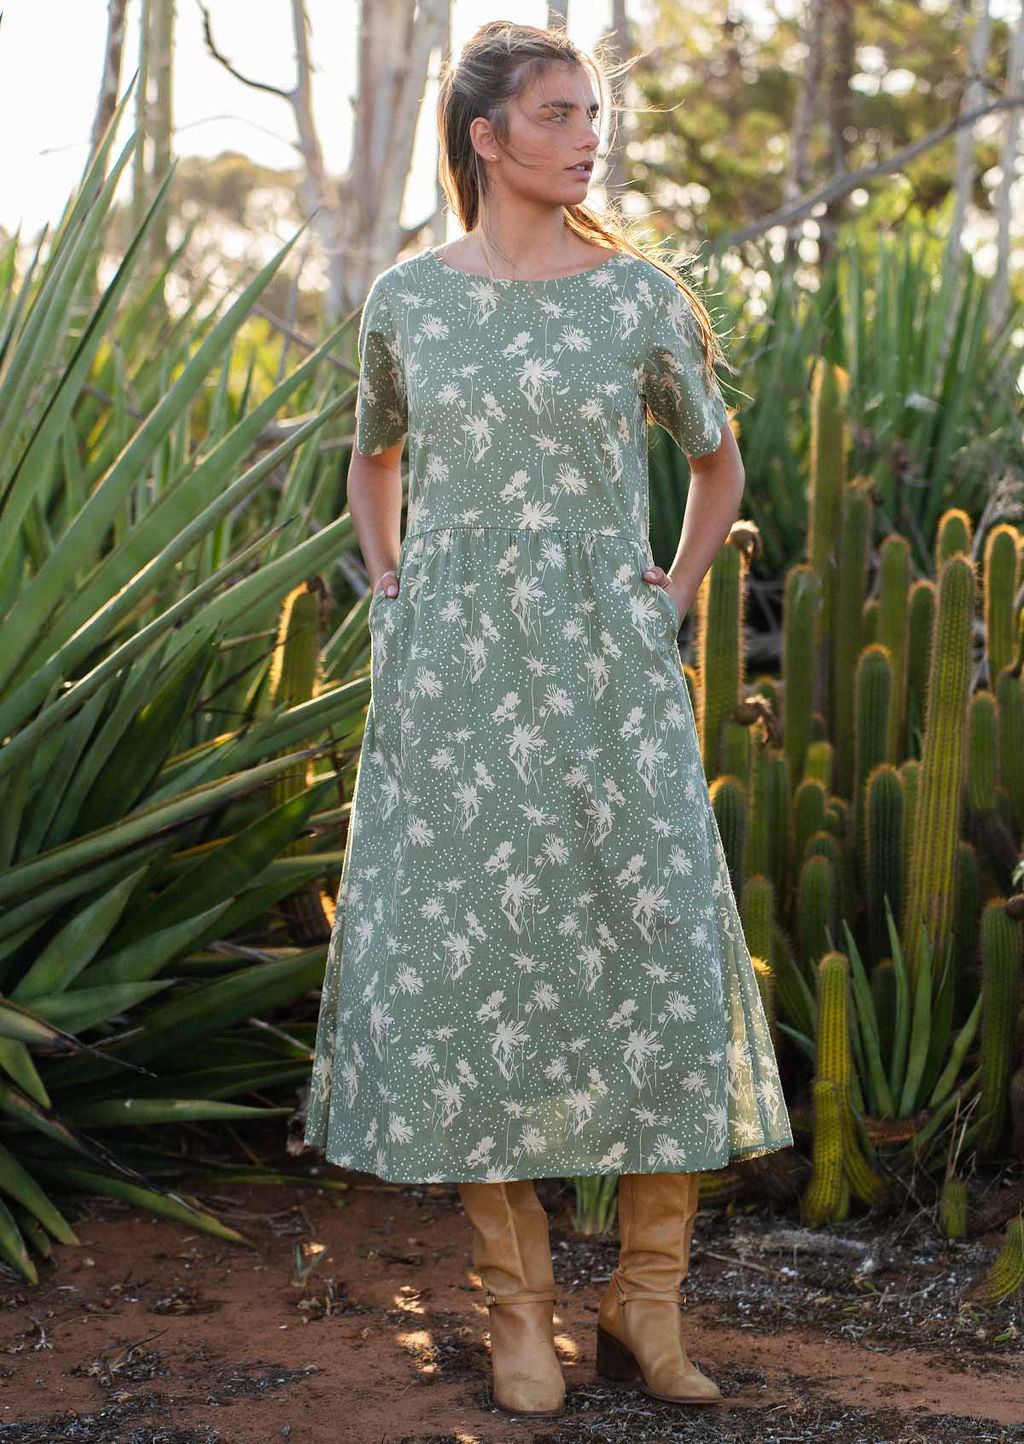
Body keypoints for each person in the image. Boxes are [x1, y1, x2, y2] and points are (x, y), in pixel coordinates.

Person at [304, 19, 793, 1419]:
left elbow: (716, 458)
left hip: (608, 662)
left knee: (655, 946)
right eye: (561, 113)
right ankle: (517, 1310)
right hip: (454, 682)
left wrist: (673, 597)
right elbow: (372, 452)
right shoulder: (408, 297)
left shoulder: (637, 297)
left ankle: (646, 1303)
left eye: (593, 112)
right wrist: (394, 593)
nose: (591, 135)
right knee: (472, 968)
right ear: (487, 138)